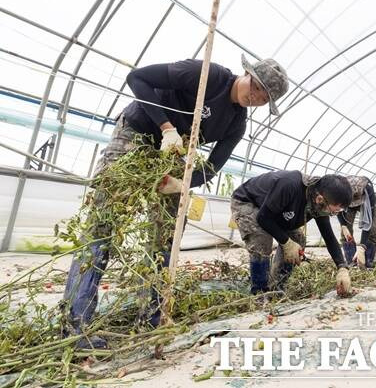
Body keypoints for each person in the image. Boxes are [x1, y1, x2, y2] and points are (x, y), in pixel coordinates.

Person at [62, 56, 289, 349]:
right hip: (138, 132)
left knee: (167, 235)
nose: (255, 97)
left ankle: (152, 318)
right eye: (256, 87)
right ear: (246, 73)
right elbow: (138, 78)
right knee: (104, 225)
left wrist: (184, 183)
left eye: (263, 99)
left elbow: (212, 166)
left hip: (171, 158)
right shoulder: (206, 75)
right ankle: (76, 326)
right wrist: (167, 127)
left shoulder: (236, 124)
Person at [230, 171, 353, 296]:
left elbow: (329, 237)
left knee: (298, 239)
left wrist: (342, 267)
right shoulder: (290, 185)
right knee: (262, 239)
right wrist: (286, 242)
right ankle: (259, 293)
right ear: (319, 199)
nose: (332, 214)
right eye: (333, 211)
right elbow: (263, 218)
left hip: (276, 212)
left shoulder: (319, 204)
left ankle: (277, 287)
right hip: (249, 202)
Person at [338, 176, 376, 269]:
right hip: (347, 203)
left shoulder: (369, 193)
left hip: (367, 202)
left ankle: (367, 261)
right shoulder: (340, 189)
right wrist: (343, 226)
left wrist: (361, 247)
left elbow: (368, 223)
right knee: (346, 233)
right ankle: (352, 261)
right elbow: (339, 209)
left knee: (374, 229)